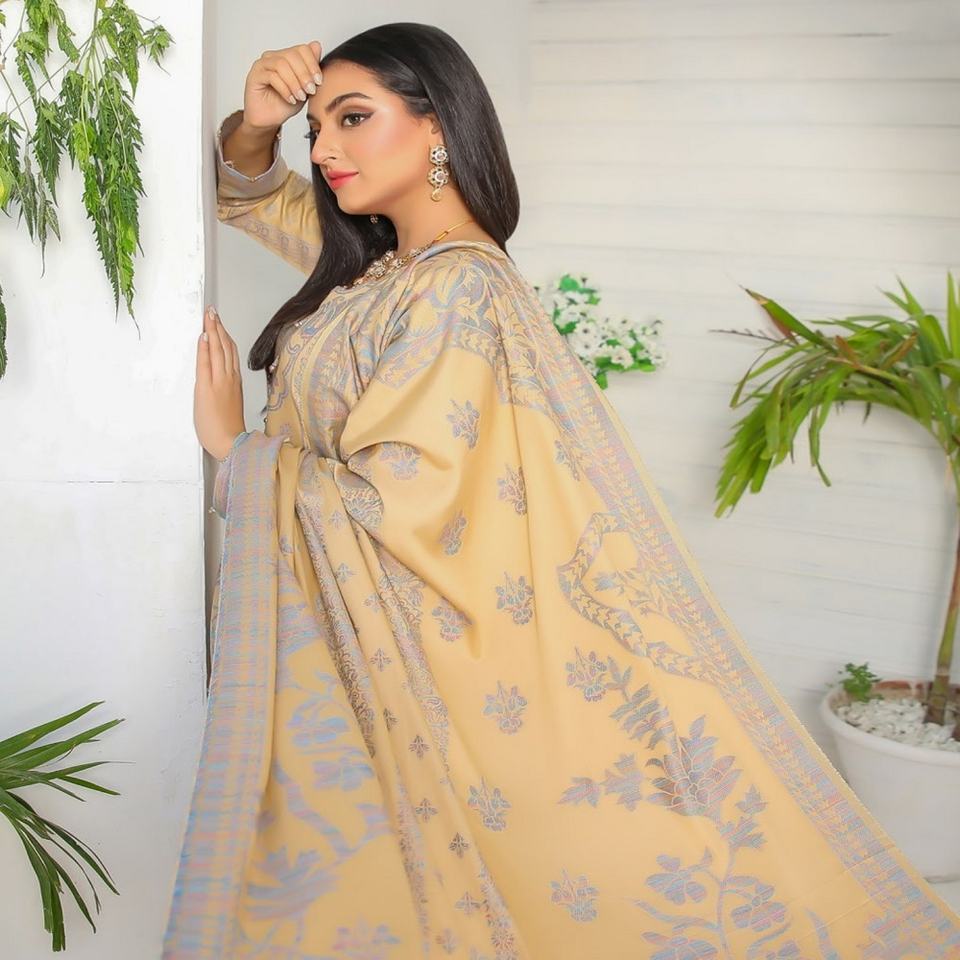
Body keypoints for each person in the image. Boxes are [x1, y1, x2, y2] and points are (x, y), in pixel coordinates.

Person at [164, 22, 960, 960]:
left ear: (437, 126)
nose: (326, 148)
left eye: (353, 118)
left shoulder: (456, 290)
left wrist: (236, 451)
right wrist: (259, 122)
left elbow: (398, 506)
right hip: (363, 651)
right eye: (317, 130)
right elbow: (247, 192)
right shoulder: (387, 269)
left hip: (425, 662)